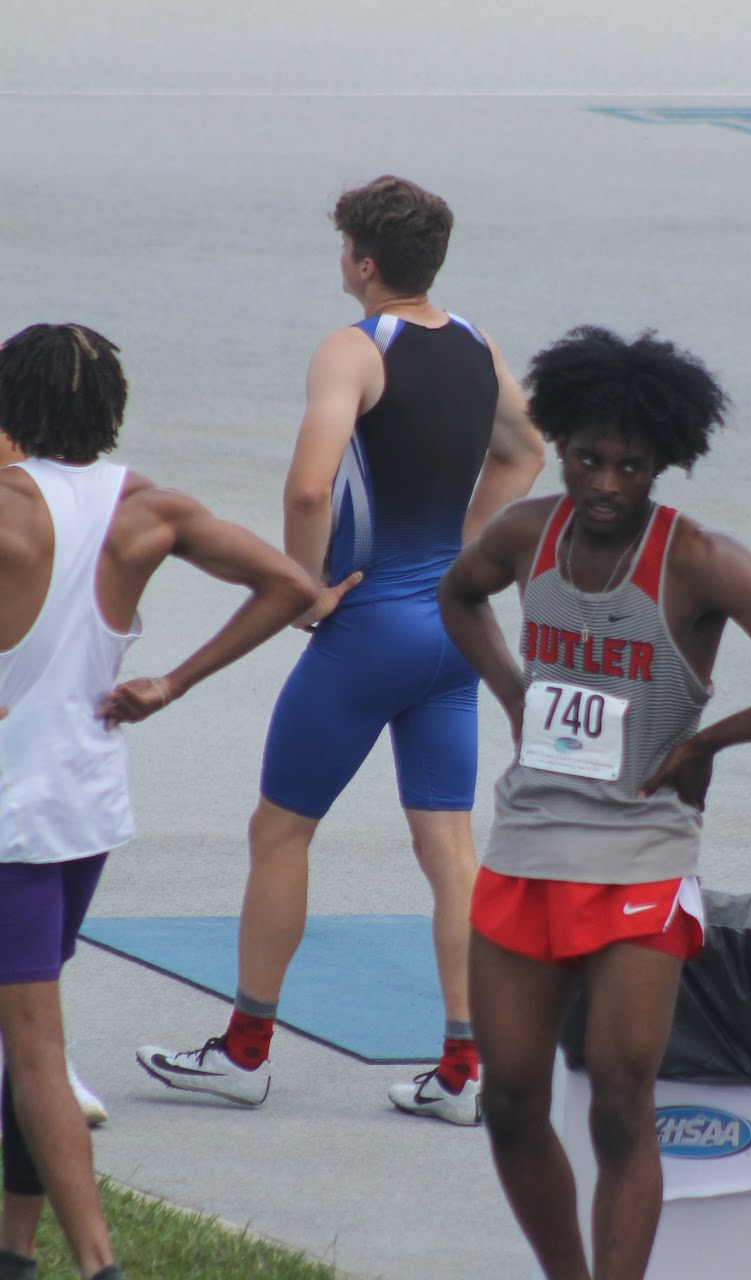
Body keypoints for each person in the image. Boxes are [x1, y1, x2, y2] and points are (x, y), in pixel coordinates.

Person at [438, 324, 751, 1279]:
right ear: (559, 445)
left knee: (620, 1099)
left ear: (665, 464)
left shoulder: (701, 561)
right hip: (529, 842)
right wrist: (511, 691)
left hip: (642, 853)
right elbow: (457, 596)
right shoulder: (524, 534)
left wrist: (707, 741)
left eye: (629, 467)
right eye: (587, 459)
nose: (603, 484)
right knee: (509, 1097)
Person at [137, 175, 545, 1121]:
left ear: (363, 263)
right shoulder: (479, 345)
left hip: (369, 628)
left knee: (280, 831)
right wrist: (465, 557)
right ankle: (461, 1071)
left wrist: (308, 591)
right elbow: (524, 453)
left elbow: (312, 489)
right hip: (453, 629)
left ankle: (243, 1056)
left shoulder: (354, 351)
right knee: (449, 845)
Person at [0, 323, 315, 1280]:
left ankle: (98, 1264)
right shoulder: (149, 508)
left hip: (8, 819)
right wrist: (169, 683)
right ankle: (14, 1251)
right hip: (84, 813)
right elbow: (291, 584)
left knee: (37, 1049)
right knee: (25, 1042)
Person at [0, 427, 111, 1134]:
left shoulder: (86, 498)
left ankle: (34, 1056)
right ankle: (36, 1061)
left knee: (46, 936)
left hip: (63, 767)